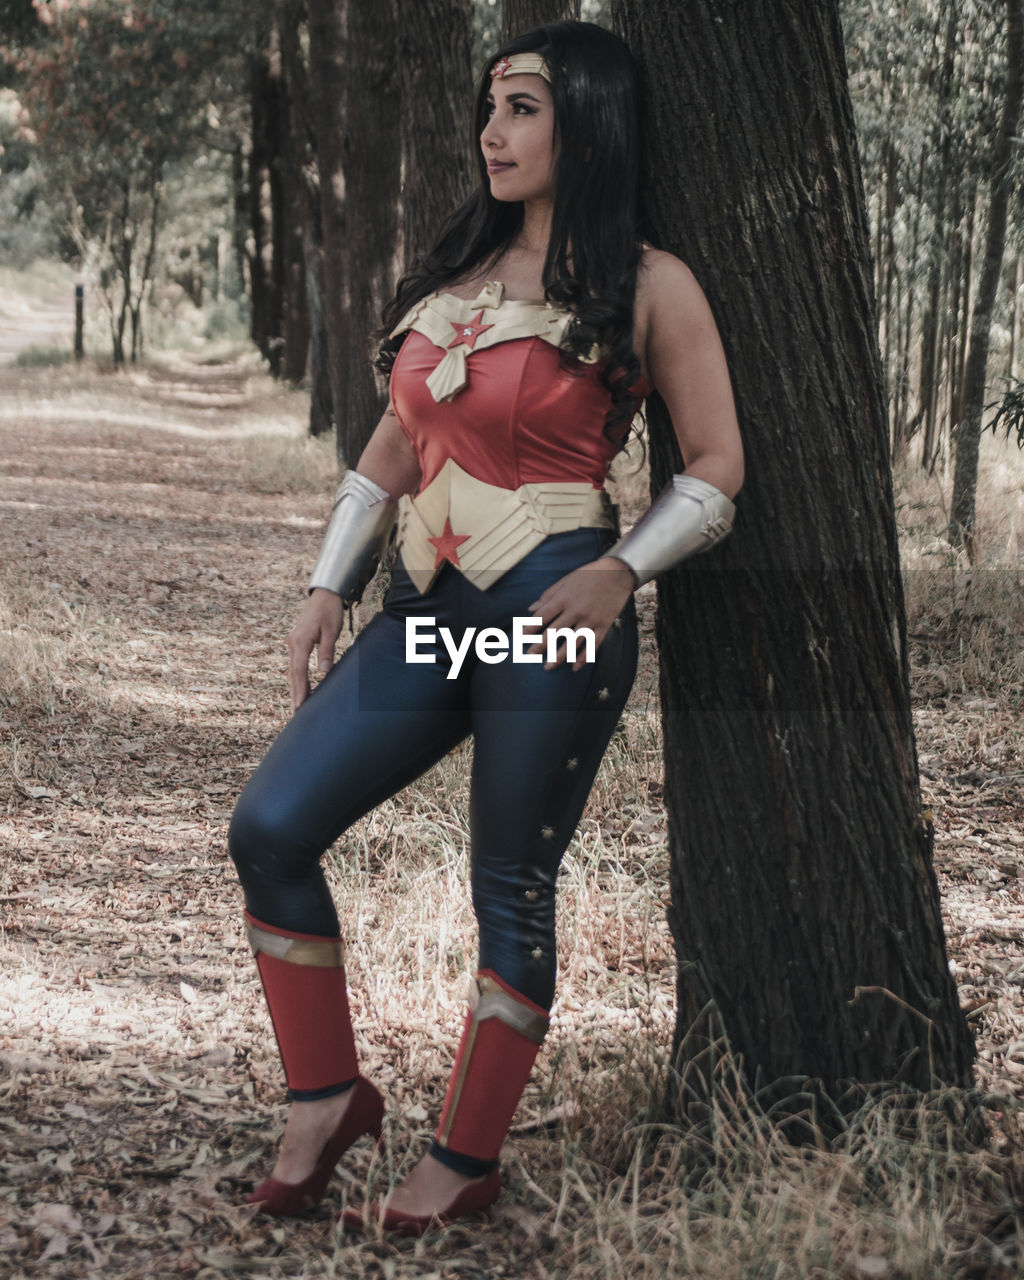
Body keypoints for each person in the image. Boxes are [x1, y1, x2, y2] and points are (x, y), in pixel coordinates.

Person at [228, 20, 743, 1236]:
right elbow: (397, 450)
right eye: (490, 108)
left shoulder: (649, 283)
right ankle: (324, 1094)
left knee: (507, 877)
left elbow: (718, 465)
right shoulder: (455, 279)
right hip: (427, 608)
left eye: (522, 108)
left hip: (554, 611)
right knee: (271, 824)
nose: (491, 131)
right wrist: (323, 586)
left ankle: (464, 1155)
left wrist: (622, 571)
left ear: (589, 123)